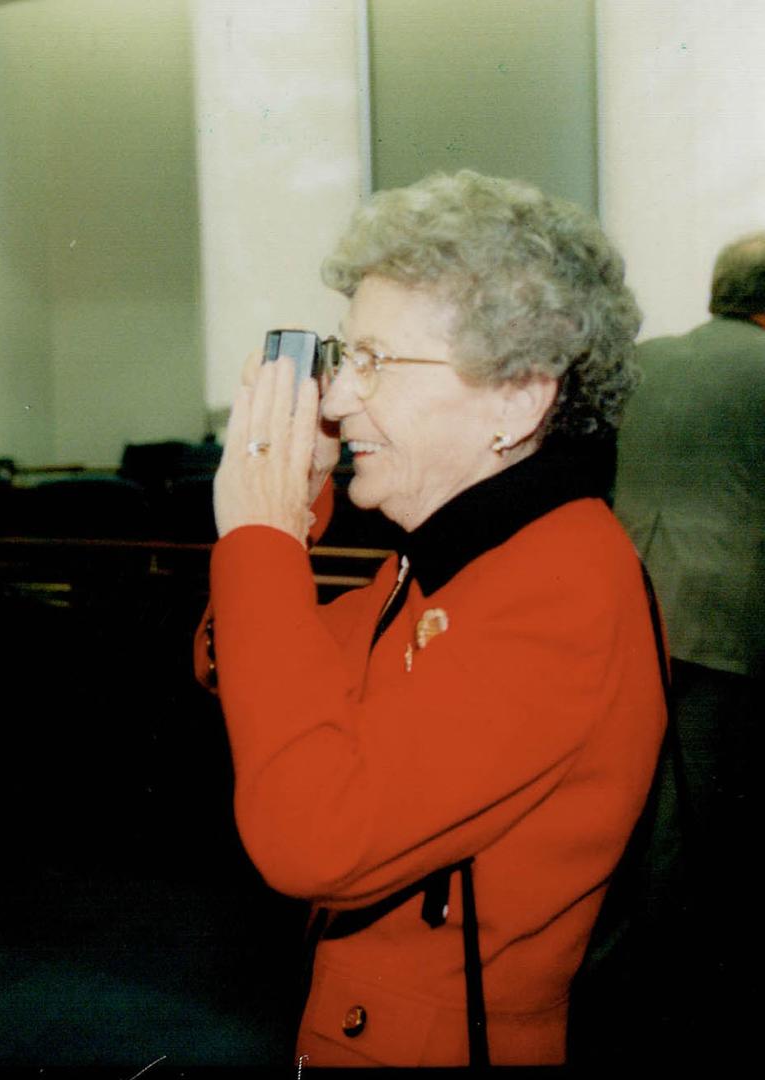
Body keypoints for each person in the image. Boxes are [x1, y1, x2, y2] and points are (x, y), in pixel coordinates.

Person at [196, 171, 664, 1066]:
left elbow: (309, 837)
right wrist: (284, 530)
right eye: (344, 357)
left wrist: (259, 542)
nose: (333, 401)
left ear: (517, 399)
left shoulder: (556, 586)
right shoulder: (464, 552)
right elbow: (243, 670)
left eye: (373, 363)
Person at [613, 231, 765, 1043]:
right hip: (727, 622)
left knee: (625, 808)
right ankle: (672, 1014)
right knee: (693, 824)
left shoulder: (642, 362)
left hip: (622, 610)